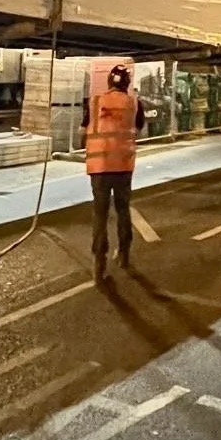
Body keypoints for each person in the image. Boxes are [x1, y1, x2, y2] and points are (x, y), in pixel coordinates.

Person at [82, 63, 145, 284]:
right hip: (123, 166)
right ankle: (124, 254)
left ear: (109, 82)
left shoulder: (96, 101)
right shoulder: (134, 103)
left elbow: (84, 128)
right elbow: (137, 129)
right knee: (122, 209)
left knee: (99, 214)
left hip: (99, 167)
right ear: (127, 84)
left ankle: (99, 264)